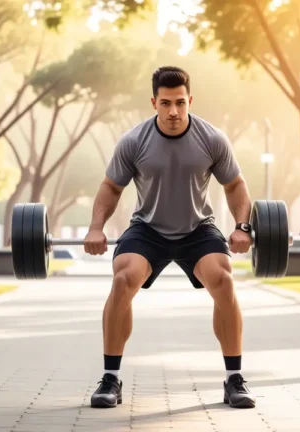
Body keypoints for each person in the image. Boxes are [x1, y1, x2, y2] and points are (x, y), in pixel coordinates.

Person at [82, 66, 256, 409]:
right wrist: (95, 227)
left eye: (180, 102)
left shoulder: (212, 139)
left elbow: (235, 185)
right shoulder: (134, 141)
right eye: (165, 103)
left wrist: (242, 226)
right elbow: (110, 187)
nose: (173, 111)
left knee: (222, 279)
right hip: (148, 228)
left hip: (197, 228)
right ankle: (110, 379)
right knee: (123, 278)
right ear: (154, 103)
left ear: (190, 100)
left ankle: (234, 378)